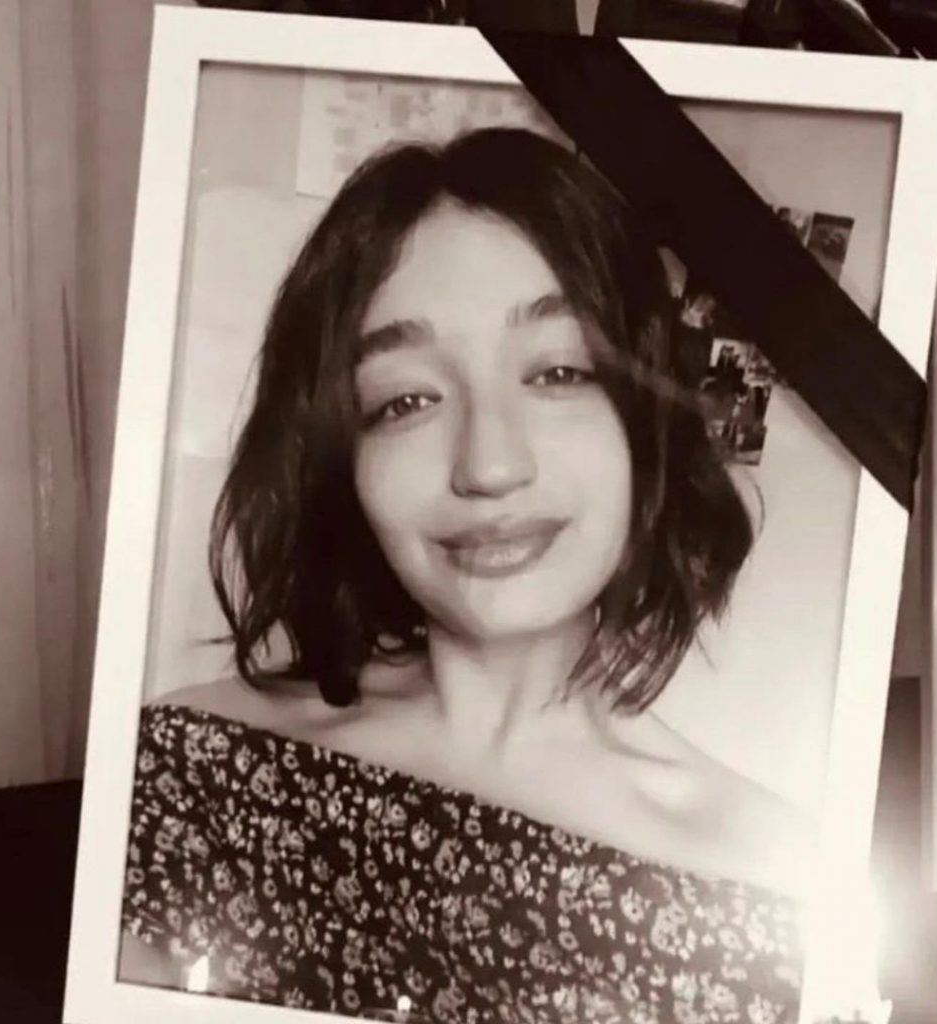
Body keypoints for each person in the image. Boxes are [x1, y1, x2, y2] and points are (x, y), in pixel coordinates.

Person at [119, 128, 811, 1024]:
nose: (488, 466)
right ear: (341, 457)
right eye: (407, 400)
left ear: (646, 423)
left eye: (558, 372)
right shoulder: (186, 772)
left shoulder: (776, 895)